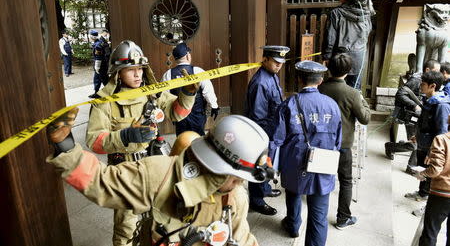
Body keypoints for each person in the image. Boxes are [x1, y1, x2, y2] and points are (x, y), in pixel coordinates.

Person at [48, 110, 270, 246]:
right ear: (218, 167)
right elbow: (102, 182)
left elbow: (242, 237)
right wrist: (66, 146)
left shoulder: (235, 197)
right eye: (236, 177)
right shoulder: (159, 174)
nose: (240, 183)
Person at [85, 40, 197, 246]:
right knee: (126, 226)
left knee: (159, 219)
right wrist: (125, 136)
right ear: (117, 72)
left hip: (153, 165)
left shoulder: (152, 91)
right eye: (130, 70)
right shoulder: (105, 101)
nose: (137, 75)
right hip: (124, 170)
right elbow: (94, 142)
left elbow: (177, 113)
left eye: (140, 69)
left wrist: (188, 93)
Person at [271, 60, 342, 244]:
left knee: (293, 192)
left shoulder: (289, 104)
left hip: (295, 162)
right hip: (323, 163)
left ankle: (293, 226)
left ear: (299, 79)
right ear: (320, 81)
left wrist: (270, 164)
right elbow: (337, 140)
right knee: (319, 216)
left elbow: (277, 139)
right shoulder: (332, 105)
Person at [319, 53, 370, 230]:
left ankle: (318, 214)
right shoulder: (352, 93)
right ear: (349, 71)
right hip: (343, 145)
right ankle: (343, 217)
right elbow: (365, 118)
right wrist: (364, 103)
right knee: (346, 180)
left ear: (329, 68)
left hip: (322, 144)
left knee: (322, 177)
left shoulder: (320, 88)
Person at [244, 45, 290, 216]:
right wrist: (266, 137)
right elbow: (258, 116)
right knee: (259, 165)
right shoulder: (260, 82)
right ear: (265, 59)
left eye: (281, 63)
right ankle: (257, 201)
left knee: (266, 163)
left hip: (270, 129)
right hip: (262, 131)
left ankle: (264, 188)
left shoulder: (271, 76)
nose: (279, 66)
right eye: (276, 62)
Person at [405, 71, 450, 216]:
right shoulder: (429, 100)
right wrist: (417, 136)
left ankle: (427, 205)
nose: (420, 86)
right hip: (424, 143)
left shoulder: (441, 105)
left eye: (423, 84)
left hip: (432, 146)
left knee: (431, 174)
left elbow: (441, 131)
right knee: (423, 169)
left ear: (433, 86)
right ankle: (422, 193)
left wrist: (433, 152)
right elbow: (425, 123)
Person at [385, 60, 440, 172]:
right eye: (436, 71)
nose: (437, 74)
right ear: (427, 70)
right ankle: (409, 165)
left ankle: (392, 147)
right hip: (411, 116)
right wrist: (415, 105)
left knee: (415, 142)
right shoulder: (416, 80)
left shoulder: (428, 81)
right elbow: (400, 94)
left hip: (419, 117)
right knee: (415, 143)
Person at [322, 0, 372, 89]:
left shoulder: (335, 13)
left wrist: (326, 56)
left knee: (336, 88)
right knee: (355, 90)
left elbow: (330, 38)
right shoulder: (365, 13)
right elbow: (368, 30)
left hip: (340, 58)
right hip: (359, 56)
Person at [161, 42, 220, 136]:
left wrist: (170, 113)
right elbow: (208, 92)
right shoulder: (198, 71)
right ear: (188, 56)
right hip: (197, 113)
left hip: (179, 114)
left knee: (182, 138)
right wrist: (214, 106)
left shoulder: (168, 74)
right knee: (198, 138)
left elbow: (163, 96)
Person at [413, 127, 450, 246]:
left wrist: (422, 173)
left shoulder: (442, 139)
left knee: (430, 232)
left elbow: (435, 170)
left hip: (442, 193)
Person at [89, 29, 106, 98]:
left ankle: (98, 93)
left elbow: (98, 57)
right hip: (103, 65)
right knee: (101, 79)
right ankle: (97, 92)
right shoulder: (99, 42)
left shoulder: (97, 45)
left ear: (92, 37)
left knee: (101, 79)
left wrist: (97, 67)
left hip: (100, 66)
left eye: (90, 36)